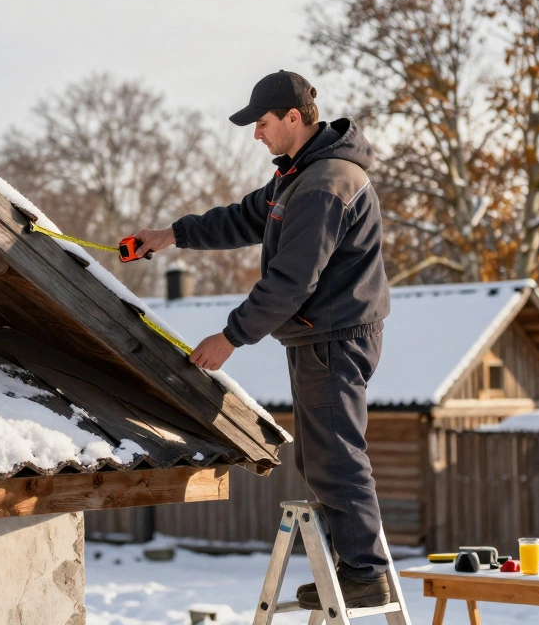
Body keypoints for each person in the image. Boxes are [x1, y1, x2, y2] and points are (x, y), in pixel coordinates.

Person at [132, 70, 392, 609]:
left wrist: (230, 337)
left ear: (293, 118)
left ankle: (366, 573)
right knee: (321, 456)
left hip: (335, 336)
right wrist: (170, 235)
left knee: (335, 454)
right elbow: (243, 219)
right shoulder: (297, 176)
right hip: (318, 337)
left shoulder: (326, 184)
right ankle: (352, 567)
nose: (256, 134)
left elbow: (291, 283)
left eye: (263, 123)